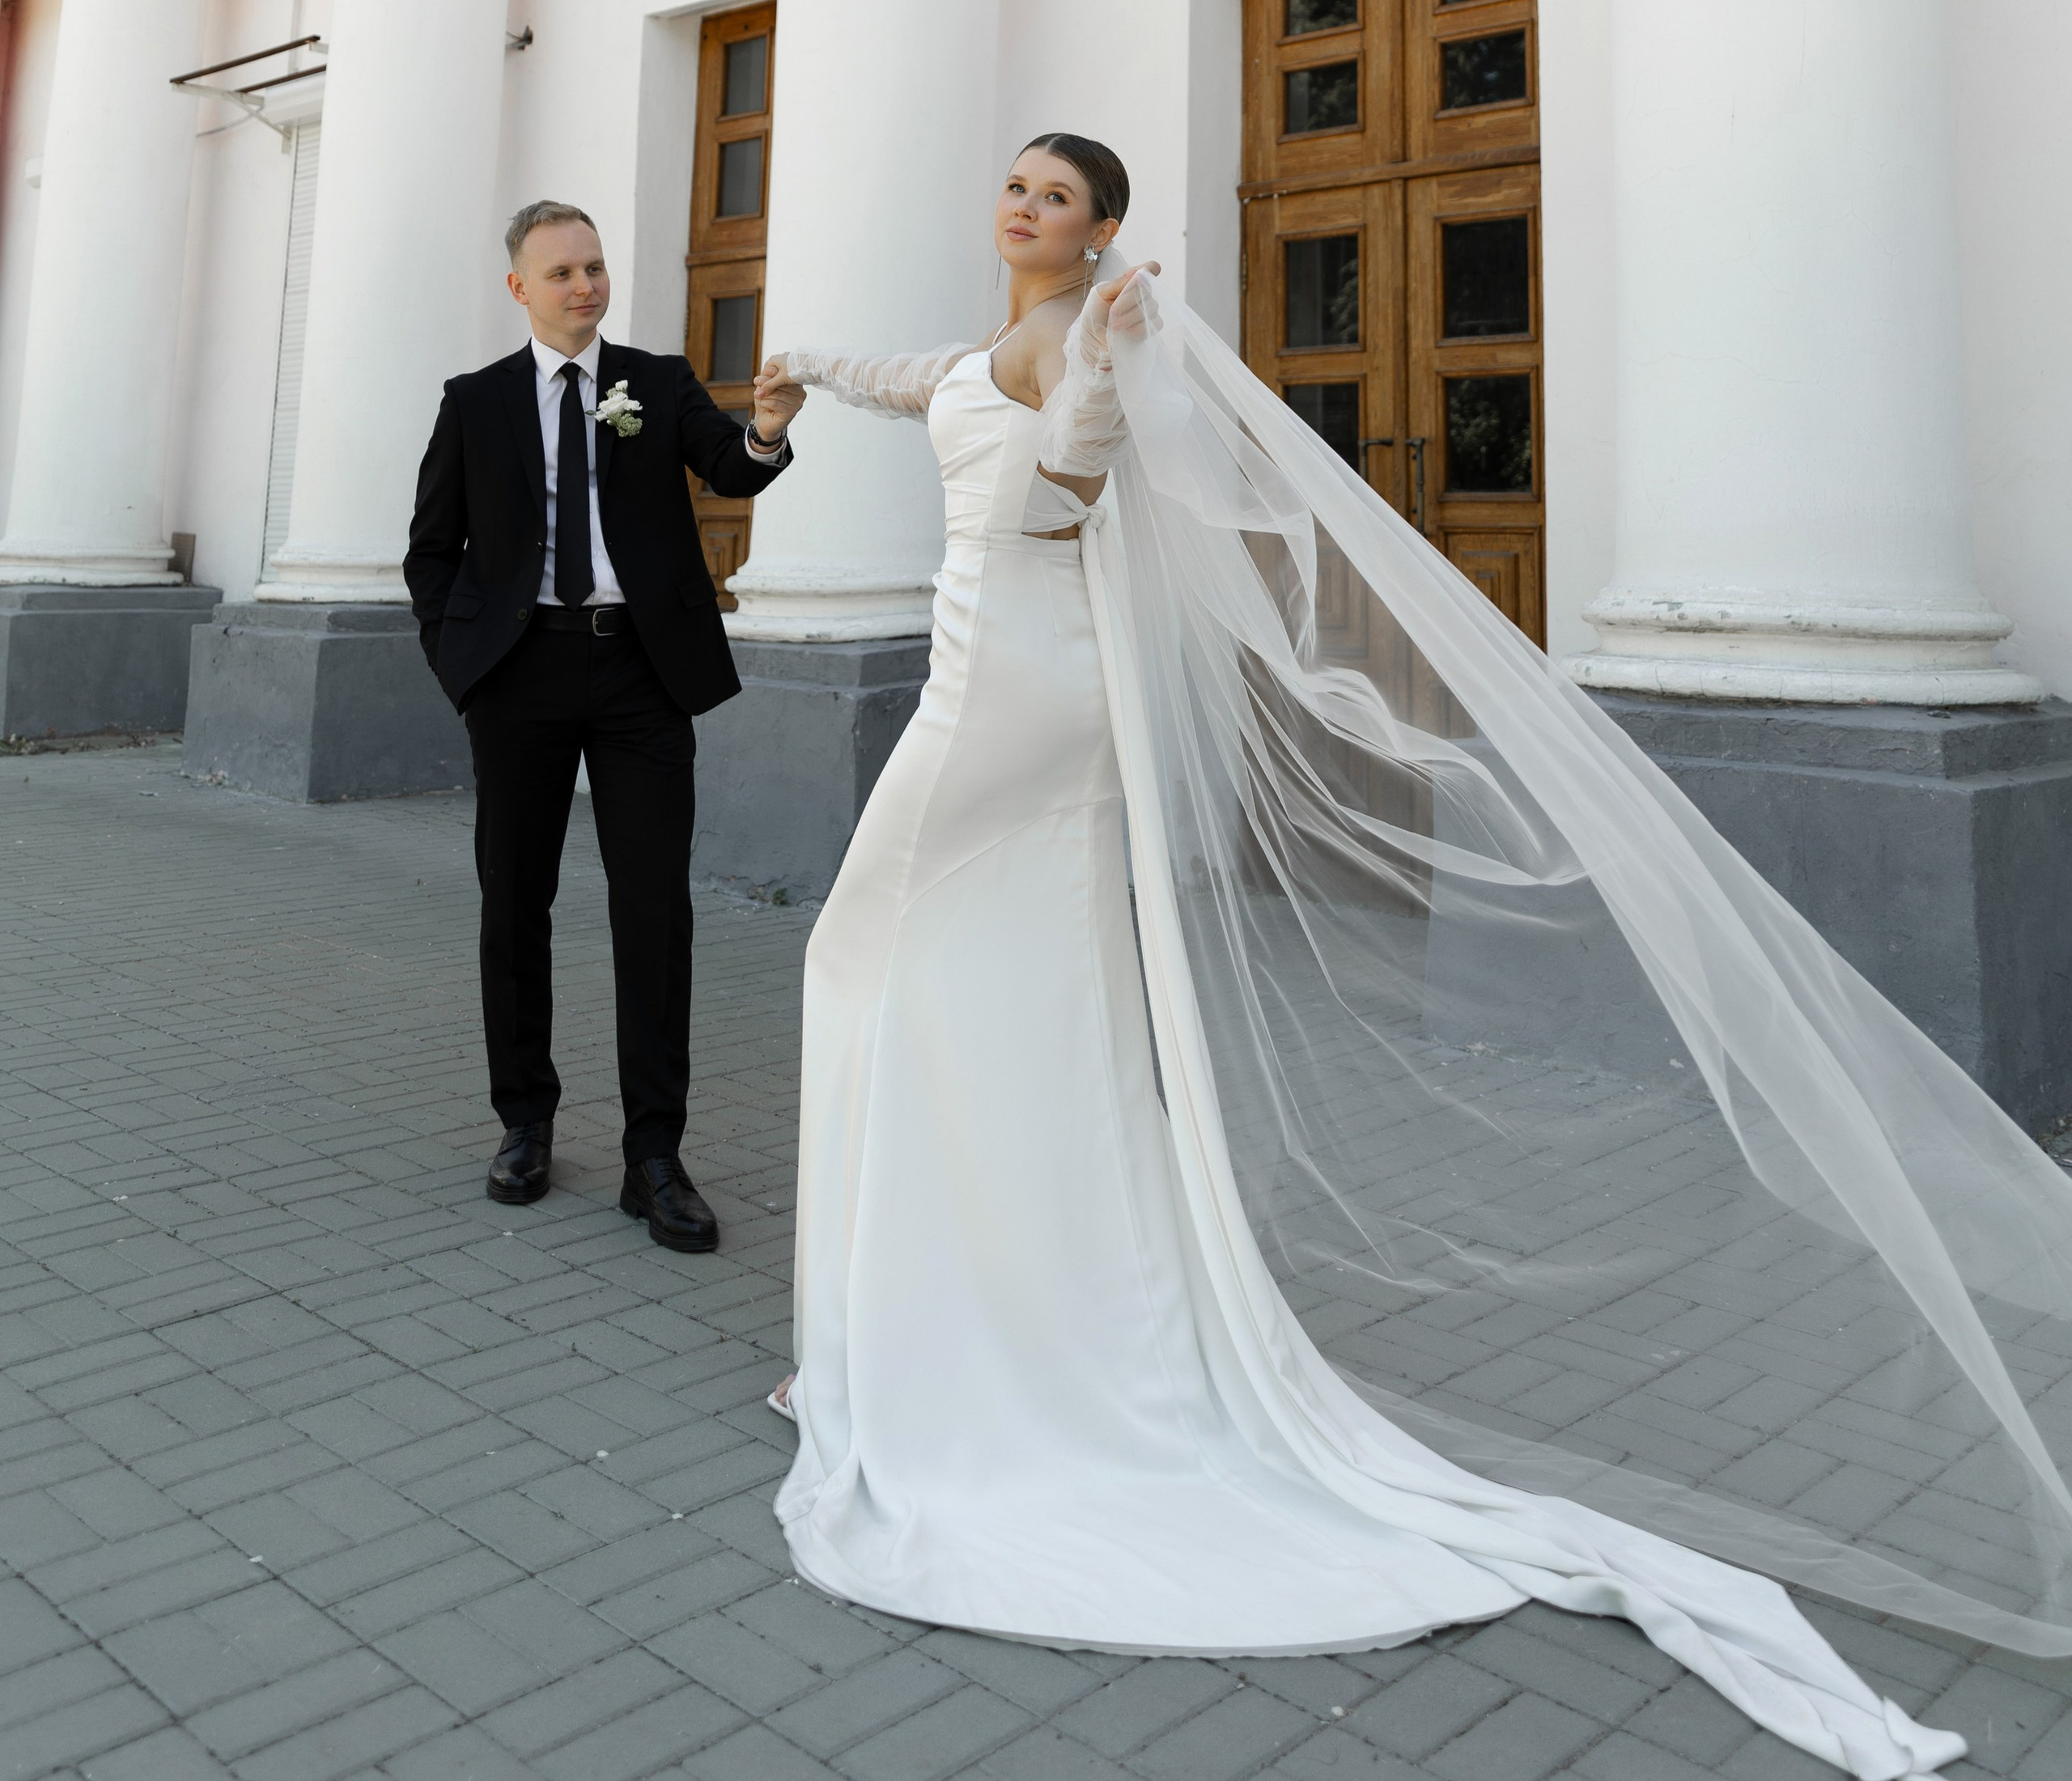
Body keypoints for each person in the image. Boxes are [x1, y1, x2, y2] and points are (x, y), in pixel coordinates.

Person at [754, 135, 2072, 1779]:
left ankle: (952, 1344)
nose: (1021, 207)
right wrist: (793, 369)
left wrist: (1098, 374)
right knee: (967, 988)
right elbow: (914, 381)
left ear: (1103, 233)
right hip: (1008, 687)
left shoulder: (1086, 338)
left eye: (1055, 198)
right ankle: (933, 1318)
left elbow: (1063, 500)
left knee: (869, 967)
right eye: (1013, 186)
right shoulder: (985, 345)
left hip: (1004, 700)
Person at [405, 197, 801, 1246]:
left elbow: (729, 466)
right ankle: (525, 1123)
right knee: (514, 906)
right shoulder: (475, 401)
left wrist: (765, 428)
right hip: (519, 675)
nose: (586, 285)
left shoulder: (653, 383)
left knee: (653, 914)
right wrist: (464, 666)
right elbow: (429, 550)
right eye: (564, 272)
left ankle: (655, 1156)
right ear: (521, 289)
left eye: (595, 267)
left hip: (640, 675)